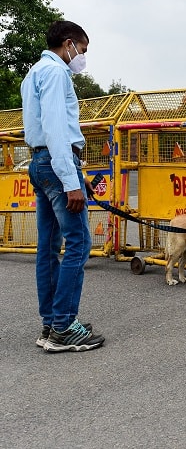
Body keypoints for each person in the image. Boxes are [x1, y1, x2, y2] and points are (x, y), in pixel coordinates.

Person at [21, 20, 105, 353]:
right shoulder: (56, 74)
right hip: (57, 164)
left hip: (42, 163)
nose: (82, 57)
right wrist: (70, 180)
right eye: (82, 50)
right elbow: (56, 129)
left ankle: (51, 322)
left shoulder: (33, 73)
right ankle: (63, 326)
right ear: (69, 44)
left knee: (49, 246)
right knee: (78, 243)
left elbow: (44, 130)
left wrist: (73, 173)